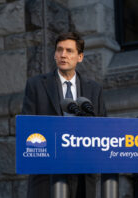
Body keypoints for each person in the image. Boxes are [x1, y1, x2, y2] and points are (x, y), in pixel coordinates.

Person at [22, 32, 107, 198]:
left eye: (69, 51)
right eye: (59, 50)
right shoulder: (36, 85)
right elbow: (27, 128)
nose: (63, 55)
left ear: (80, 57)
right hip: (47, 176)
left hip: (83, 176)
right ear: (54, 54)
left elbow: (103, 129)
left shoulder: (94, 89)